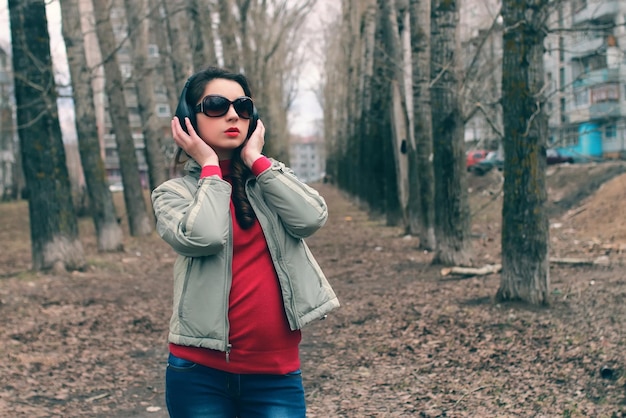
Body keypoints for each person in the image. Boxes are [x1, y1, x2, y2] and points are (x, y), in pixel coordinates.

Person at [151, 66, 340, 418]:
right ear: (188, 119)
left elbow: (311, 217)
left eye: (243, 106)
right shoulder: (173, 194)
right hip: (199, 374)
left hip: (275, 374)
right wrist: (209, 164)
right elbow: (203, 236)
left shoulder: (268, 179)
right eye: (217, 105)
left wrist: (255, 160)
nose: (233, 114)